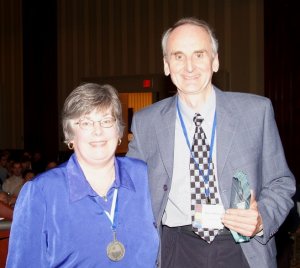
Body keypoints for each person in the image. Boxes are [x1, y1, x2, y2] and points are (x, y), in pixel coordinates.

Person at [127, 17, 295, 268]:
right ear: (166, 65)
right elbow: (130, 190)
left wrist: (261, 219)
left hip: (241, 248)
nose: (189, 67)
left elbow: (281, 183)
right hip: (176, 248)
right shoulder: (145, 122)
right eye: (178, 56)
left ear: (215, 60)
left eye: (199, 54)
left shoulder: (256, 111)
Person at [6, 83, 159, 267]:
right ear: (70, 134)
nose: (97, 131)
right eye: (86, 123)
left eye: (106, 121)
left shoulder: (144, 176)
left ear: (119, 131)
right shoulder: (41, 192)